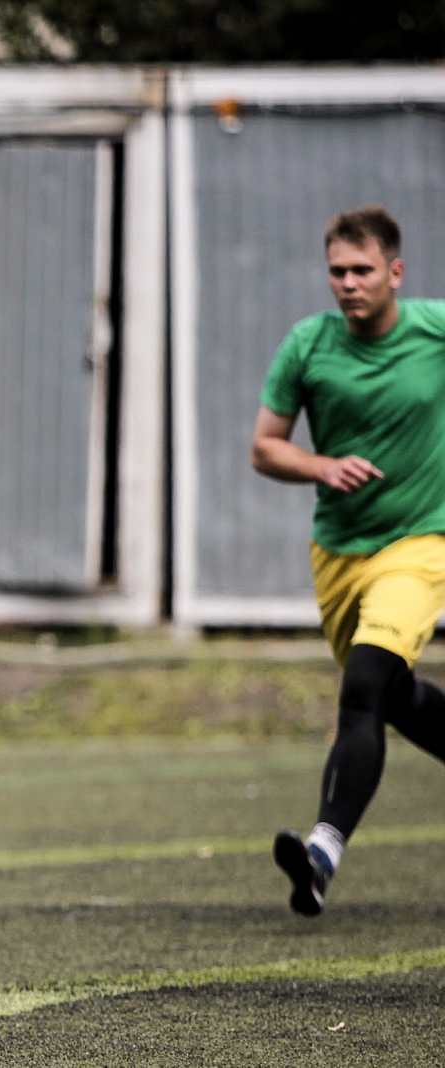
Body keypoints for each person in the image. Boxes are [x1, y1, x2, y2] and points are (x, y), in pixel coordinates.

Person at [251, 205, 445, 917]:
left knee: (362, 688)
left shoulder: (435, 331)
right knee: (389, 697)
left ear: (396, 271)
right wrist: (321, 466)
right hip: (338, 552)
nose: (347, 284)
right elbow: (265, 446)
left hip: (422, 544)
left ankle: (321, 854)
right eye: (337, 271)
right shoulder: (309, 344)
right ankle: (322, 853)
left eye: (362, 270)